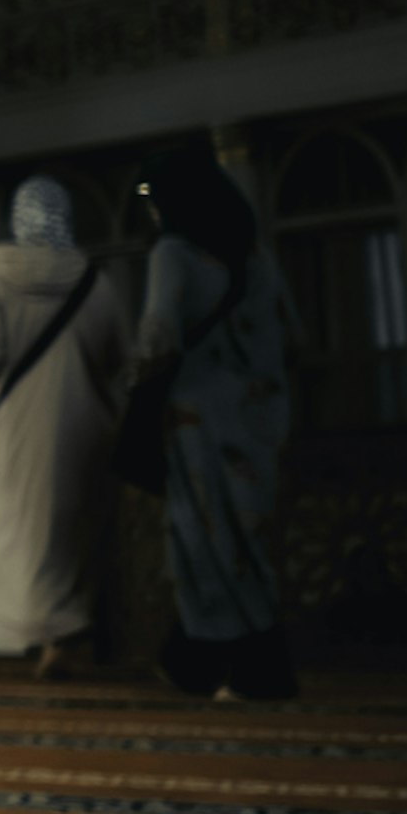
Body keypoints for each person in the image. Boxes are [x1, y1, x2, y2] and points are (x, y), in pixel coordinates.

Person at [135, 143, 298, 702]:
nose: (149, 208)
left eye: (150, 196)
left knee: (204, 541)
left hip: (197, 421)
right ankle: (211, 661)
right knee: (248, 540)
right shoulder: (258, 257)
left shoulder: (172, 255)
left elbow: (157, 339)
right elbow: (293, 335)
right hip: (261, 419)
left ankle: (243, 666)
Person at [0, 175, 132, 679]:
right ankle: (73, 635)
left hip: (16, 430)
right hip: (85, 429)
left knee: (24, 536)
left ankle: (42, 637)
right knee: (77, 532)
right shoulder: (93, 282)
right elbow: (118, 355)